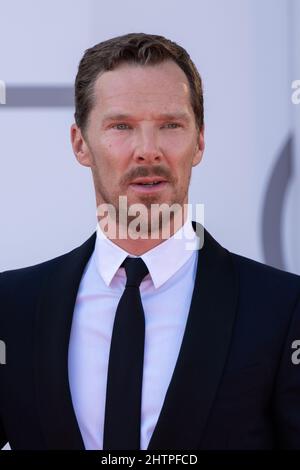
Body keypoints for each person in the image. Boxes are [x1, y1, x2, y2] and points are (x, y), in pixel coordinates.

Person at [1, 32, 300, 451]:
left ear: (199, 140)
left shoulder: (283, 308)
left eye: (170, 125)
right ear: (80, 143)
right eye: (121, 126)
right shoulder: (11, 307)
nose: (148, 150)